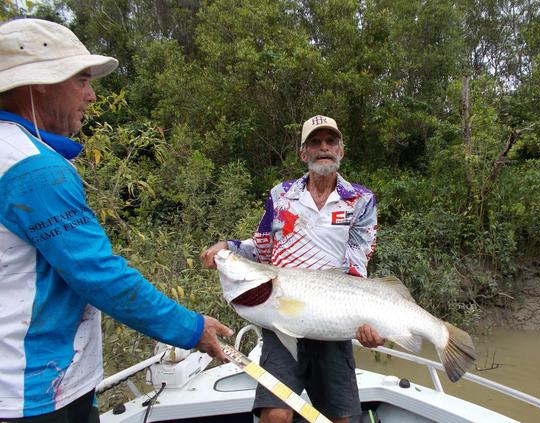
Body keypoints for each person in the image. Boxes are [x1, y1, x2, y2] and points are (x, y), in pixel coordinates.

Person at [0, 18, 233, 422]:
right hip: (31, 392)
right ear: (39, 81)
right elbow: (99, 275)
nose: (91, 96)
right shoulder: (34, 170)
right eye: (82, 80)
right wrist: (191, 328)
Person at [201, 115, 384, 423]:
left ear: (341, 150)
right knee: (275, 415)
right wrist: (227, 247)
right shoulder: (281, 195)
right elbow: (261, 247)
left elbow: (359, 261)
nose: (323, 147)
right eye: (315, 142)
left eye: (330, 141)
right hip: (283, 317)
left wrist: (365, 320)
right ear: (304, 153)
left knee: (343, 419)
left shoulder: (361, 200)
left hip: (332, 316)